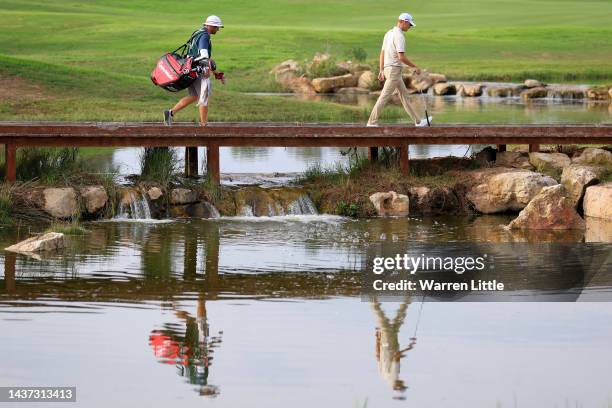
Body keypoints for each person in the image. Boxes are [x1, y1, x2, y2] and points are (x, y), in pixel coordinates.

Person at [367, 13, 432, 127]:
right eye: (410, 25)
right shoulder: (400, 36)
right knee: (384, 96)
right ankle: (371, 122)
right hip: (394, 71)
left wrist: (381, 69)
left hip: (389, 70)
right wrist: (415, 67)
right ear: (404, 21)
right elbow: (401, 57)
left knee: (405, 97)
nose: (410, 27)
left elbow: (382, 53)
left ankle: (418, 122)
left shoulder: (388, 33)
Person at [163, 15, 226, 127]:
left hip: (190, 70)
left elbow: (193, 53)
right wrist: (208, 68)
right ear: (210, 25)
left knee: (194, 95)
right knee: (204, 97)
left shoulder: (197, 32)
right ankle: (203, 124)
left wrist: (216, 72)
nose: (218, 29)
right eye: (216, 27)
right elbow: (204, 55)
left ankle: (170, 113)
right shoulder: (205, 36)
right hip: (200, 70)